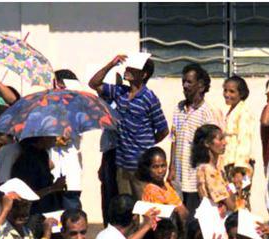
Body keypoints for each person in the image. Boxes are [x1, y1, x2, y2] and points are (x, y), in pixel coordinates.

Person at [90, 54, 168, 198]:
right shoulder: (121, 92)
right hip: (122, 165)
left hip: (141, 167)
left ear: (143, 75)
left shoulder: (149, 98)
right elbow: (94, 83)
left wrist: (145, 145)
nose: (127, 70)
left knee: (145, 205)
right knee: (126, 206)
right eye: (128, 67)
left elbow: (163, 130)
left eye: (133, 68)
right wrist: (111, 64)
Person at [169, 62, 222, 211]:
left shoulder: (207, 112)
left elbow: (213, 146)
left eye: (189, 82)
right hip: (179, 176)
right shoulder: (179, 108)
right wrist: (171, 168)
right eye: (183, 82)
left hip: (195, 178)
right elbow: (173, 139)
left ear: (201, 86)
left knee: (194, 217)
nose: (185, 86)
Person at [222, 75, 257, 190]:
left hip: (240, 166)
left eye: (232, 91)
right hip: (230, 164)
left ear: (241, 94)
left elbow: (245, 140)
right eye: (225, 90)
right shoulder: (232, 111)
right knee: (230, 197)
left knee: (239, 196)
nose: (227, 94)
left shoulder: (244, 112)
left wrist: (239, 171)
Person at [192, 124, 236, 212]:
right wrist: (229, 190)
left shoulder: (216, 168)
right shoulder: (209, 171)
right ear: (207, 143)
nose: (225, 142)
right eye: (220, 139)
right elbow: (231, 205)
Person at [138, 147, 189, 221]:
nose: (160, 171)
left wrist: (177, 210)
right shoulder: (151, 190)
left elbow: (185, 212)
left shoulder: (167, 185)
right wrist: (177, 210)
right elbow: (167, 218)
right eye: (155, 167)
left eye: (163, 166)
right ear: (148, 168)